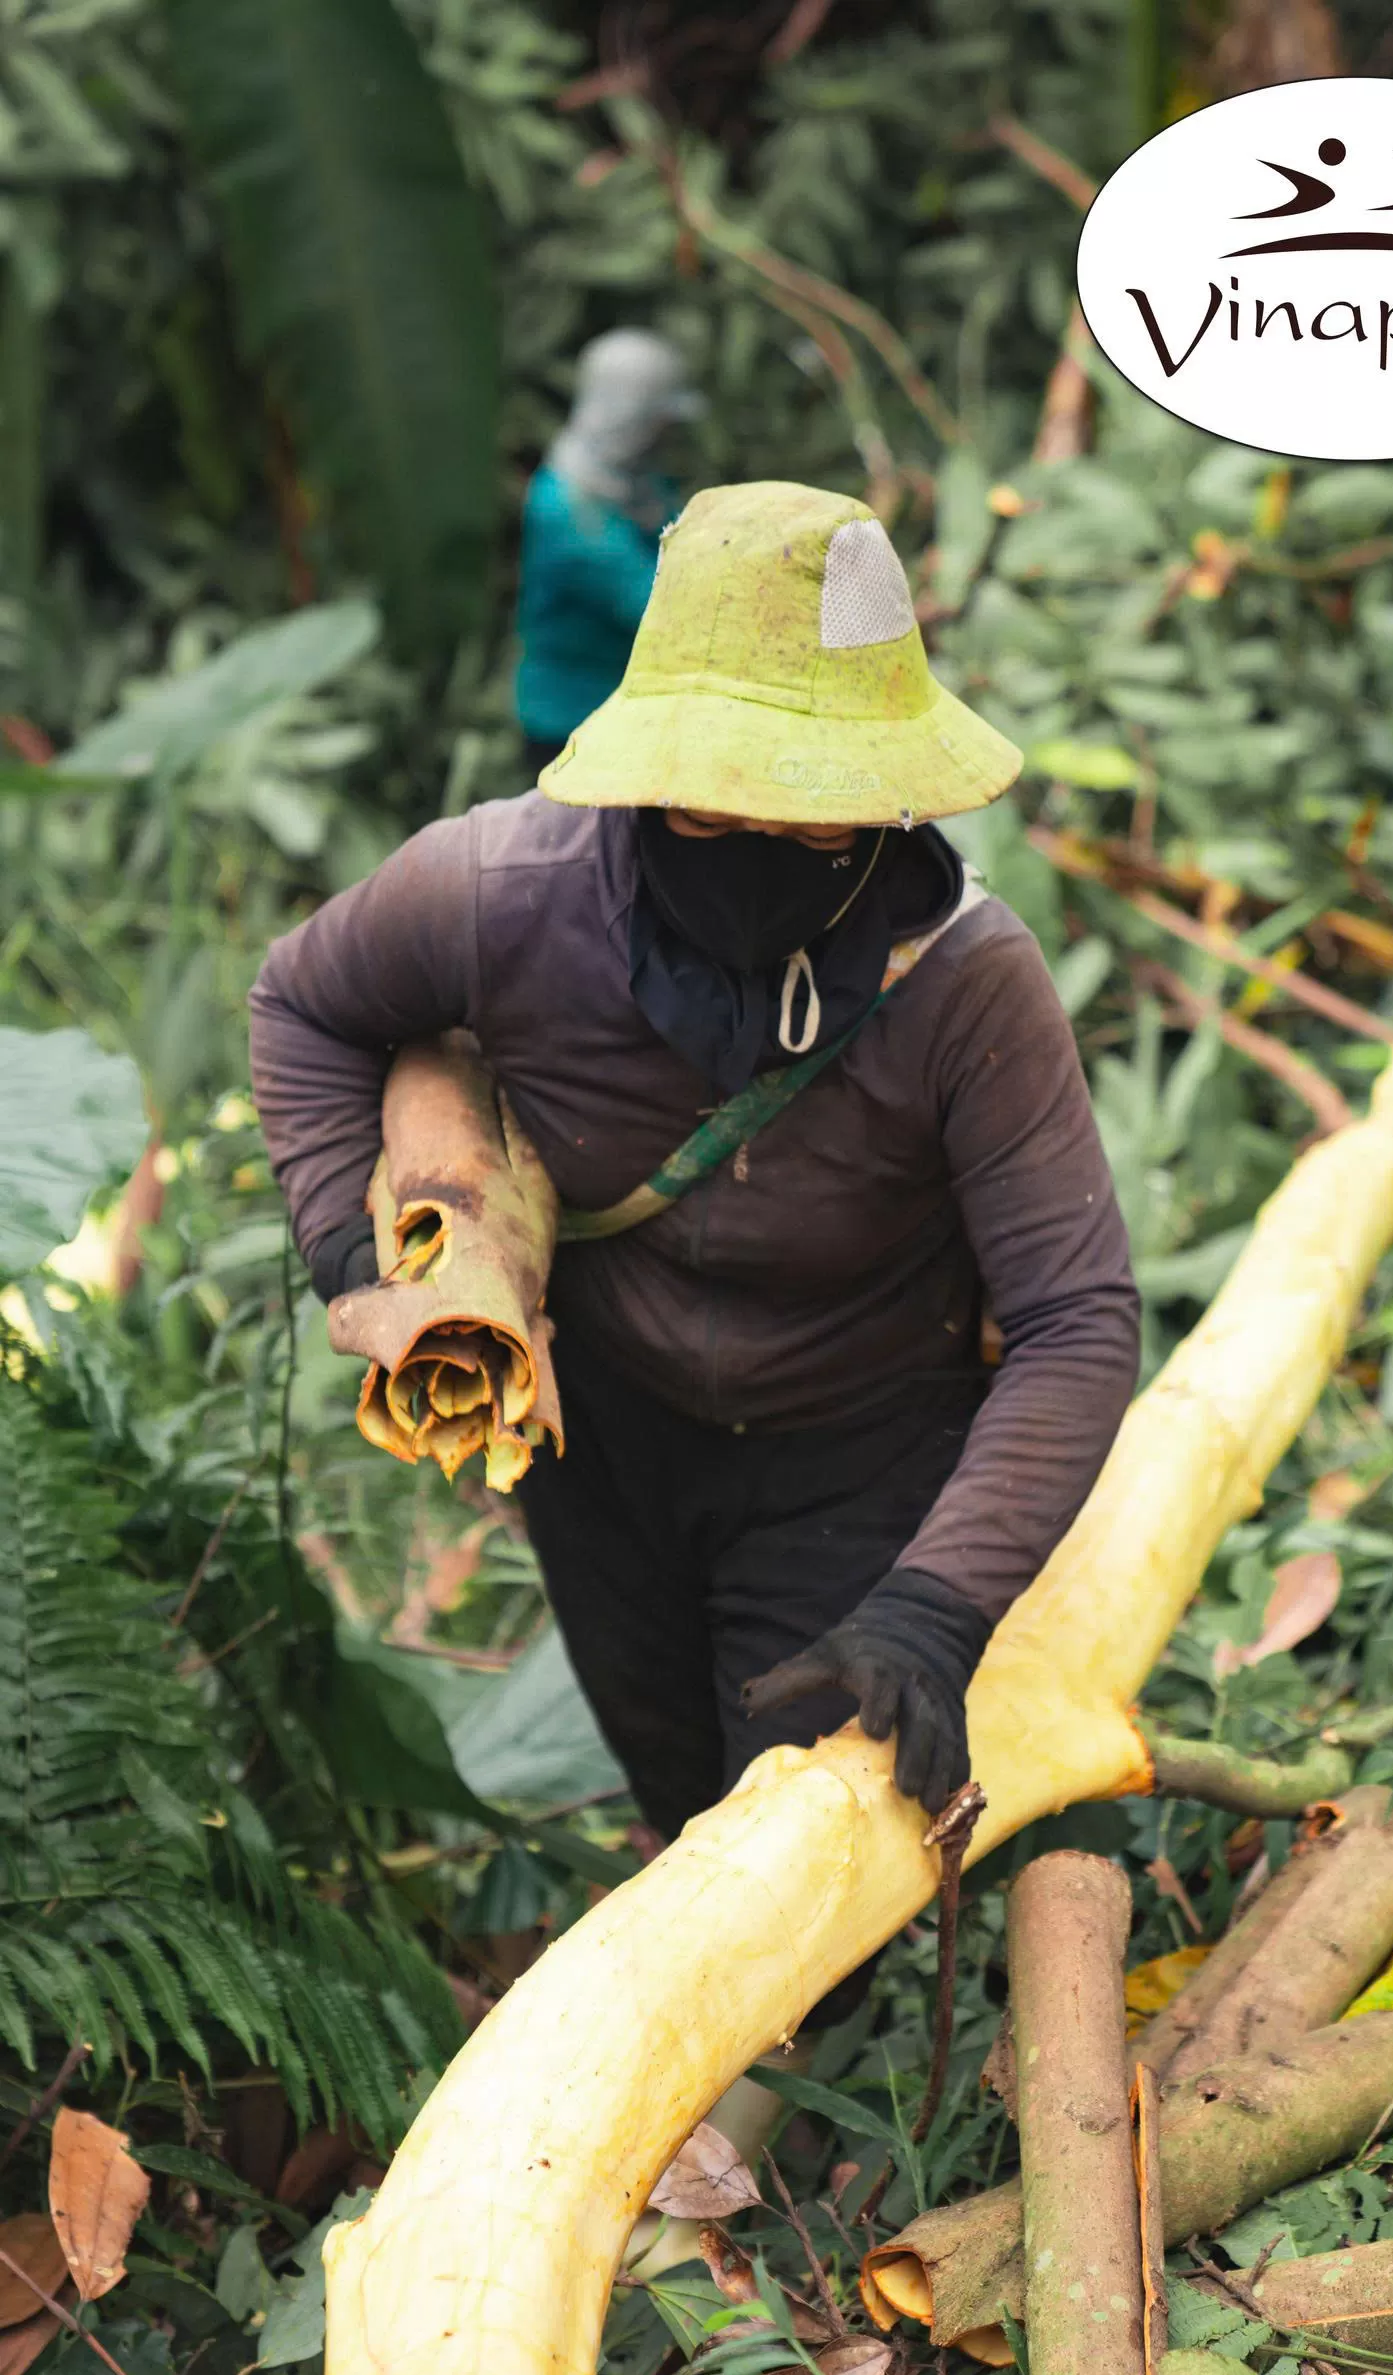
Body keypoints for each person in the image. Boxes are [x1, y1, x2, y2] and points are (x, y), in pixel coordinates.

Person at [250, 480, 1140, 2000]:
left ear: (883, 809)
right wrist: (356, 1268)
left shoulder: (969, 990)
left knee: (793, 1877)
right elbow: (304, 1006)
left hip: (859, 1447)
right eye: (716, 810)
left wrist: (933, 1605)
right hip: (606, 1442)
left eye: (810, 820)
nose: (758, 847)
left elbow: (1077, 1321)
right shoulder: (499, 895)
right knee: (678, 1783)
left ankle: (806, 2133)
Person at [513, 328, 698, 767]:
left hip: (626, 714)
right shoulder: (567, 506)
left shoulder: (637, 485)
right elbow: (652, 604)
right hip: (569, 724)